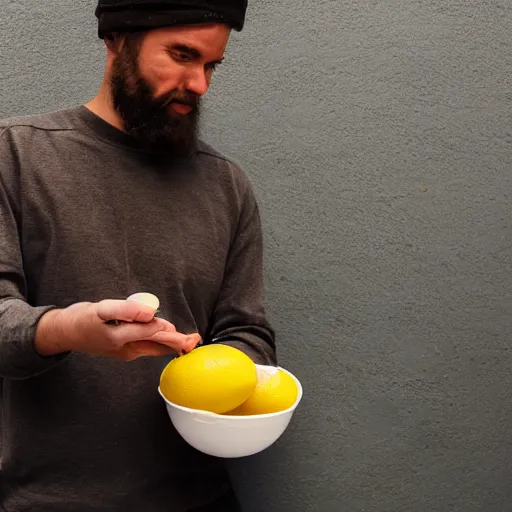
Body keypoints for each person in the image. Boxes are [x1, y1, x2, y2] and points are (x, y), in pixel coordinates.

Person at [0, 0, 277, 510]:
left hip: (201, 499)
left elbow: (248, 332)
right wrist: (67, 329)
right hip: (48, 501)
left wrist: (225, 368)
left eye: (210, 65)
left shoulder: (227, 185)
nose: (199, 84)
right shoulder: (15, 154)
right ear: (116, 39)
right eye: (181, 55)